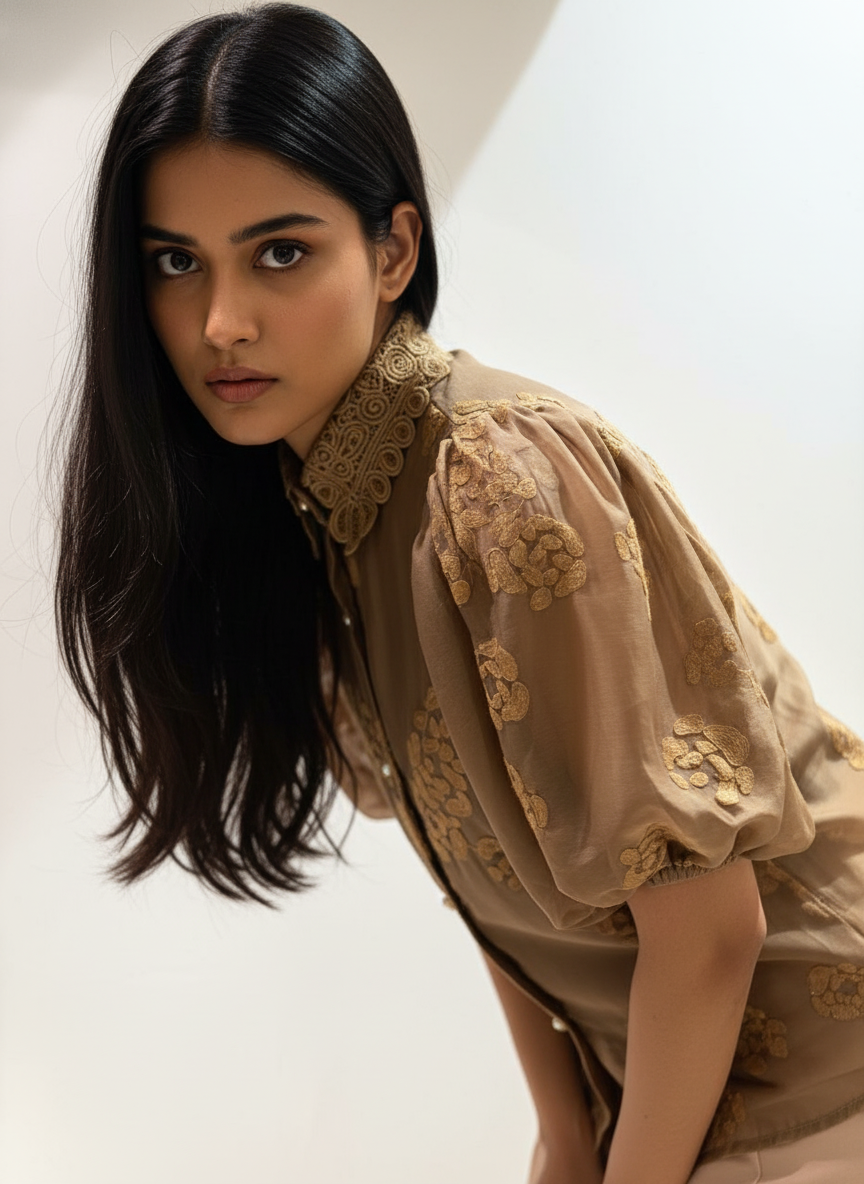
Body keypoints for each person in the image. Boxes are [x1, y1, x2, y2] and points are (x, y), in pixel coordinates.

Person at [54, 5, 864, 1182]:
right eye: (176, 262)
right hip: (685, 1085)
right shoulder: (329, 505)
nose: (221, 323)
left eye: (281, 251)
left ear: (392, 251)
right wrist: (566, 1130)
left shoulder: (494, 482)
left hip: (823, 1074)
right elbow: (491, 873)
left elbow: (709, 933)